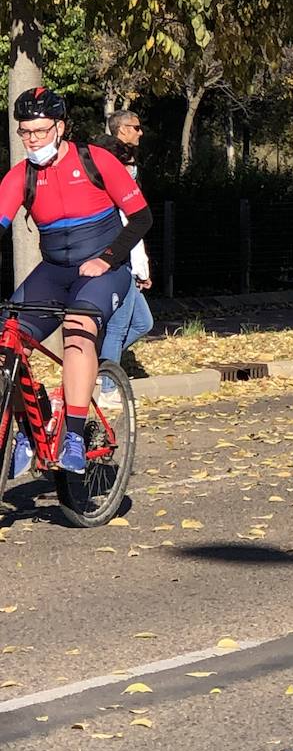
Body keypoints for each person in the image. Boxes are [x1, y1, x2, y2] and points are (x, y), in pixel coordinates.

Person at [0, 87, 152, 473]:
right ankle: (27, 429)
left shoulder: (95, 161)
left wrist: (106, 258)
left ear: (61, 127)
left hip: (104, 268)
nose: (32, 140)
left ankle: (72, 434)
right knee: (7, 339)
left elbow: (141, 218)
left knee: (79, 326)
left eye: (40, 131)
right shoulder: (21, 177)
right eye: (25, 132)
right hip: (54, 271)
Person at [95, 111, 154, 391]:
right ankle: (107, 387)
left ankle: (97, 364)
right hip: (119, 255)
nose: (140, 132)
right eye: (136, 128)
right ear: (122, 130)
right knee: (118, 327)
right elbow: (127, 218)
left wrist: (142, 267)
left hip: (129, 254)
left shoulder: (126, 162)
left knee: (143, 322)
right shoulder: (114, 164)